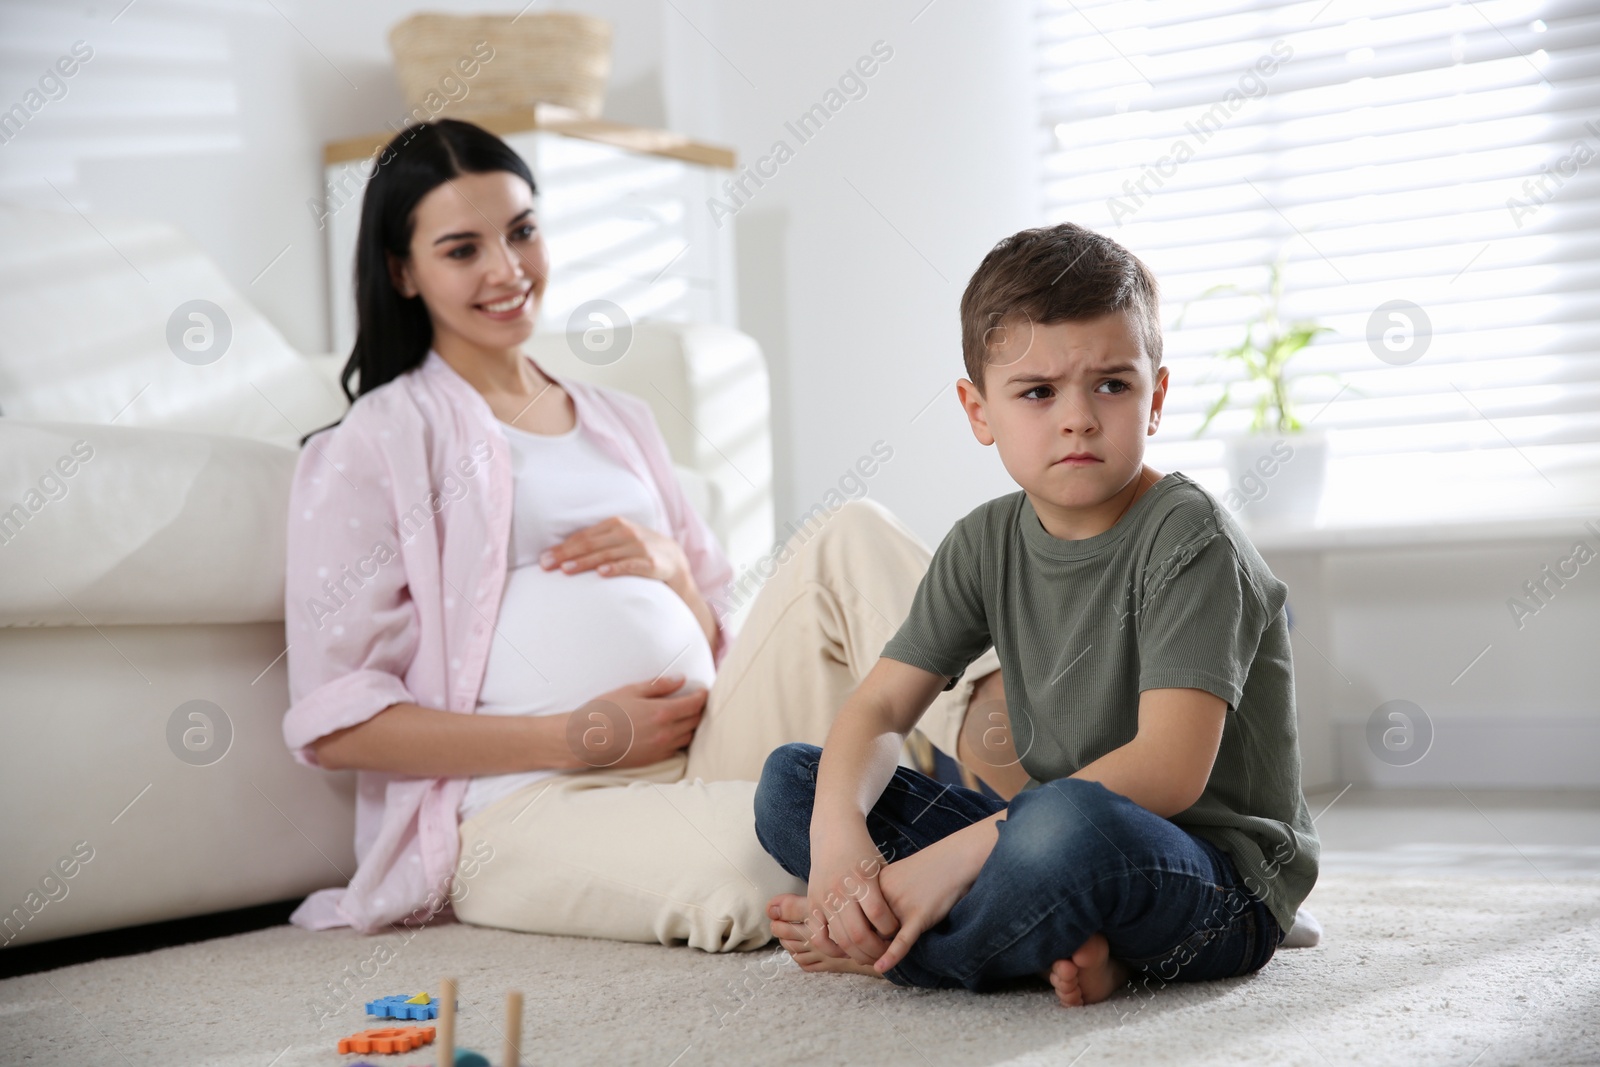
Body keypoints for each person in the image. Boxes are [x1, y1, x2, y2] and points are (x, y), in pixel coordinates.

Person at [280, 118, 1006, 951]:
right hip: (525, 801)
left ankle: (1025, 772)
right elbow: (339, 722)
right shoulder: (377, 439)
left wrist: (675, 576)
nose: (507, 269)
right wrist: (576, 733)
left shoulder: (619, 420)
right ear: (402, 271)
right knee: (758, 860)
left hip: (710, 743)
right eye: (462, 249)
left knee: (851, 533)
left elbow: (720, 643)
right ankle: (1001, 858)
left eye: (522, 231)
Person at [753, 222, 1321, 1007]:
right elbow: (881, 706)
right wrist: (837, 847)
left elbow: (1167, 768)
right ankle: (1057, 940)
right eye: (1038, 392)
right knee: (796, 782)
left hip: (1214, 877)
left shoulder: (1192, 537)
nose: (1078, 417)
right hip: (1045, 842)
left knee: (1064, 827)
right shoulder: (984, 541)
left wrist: (948, 863)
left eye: (1112, 385)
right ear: (979, 410)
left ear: (1155, 397)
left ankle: (896, 947)